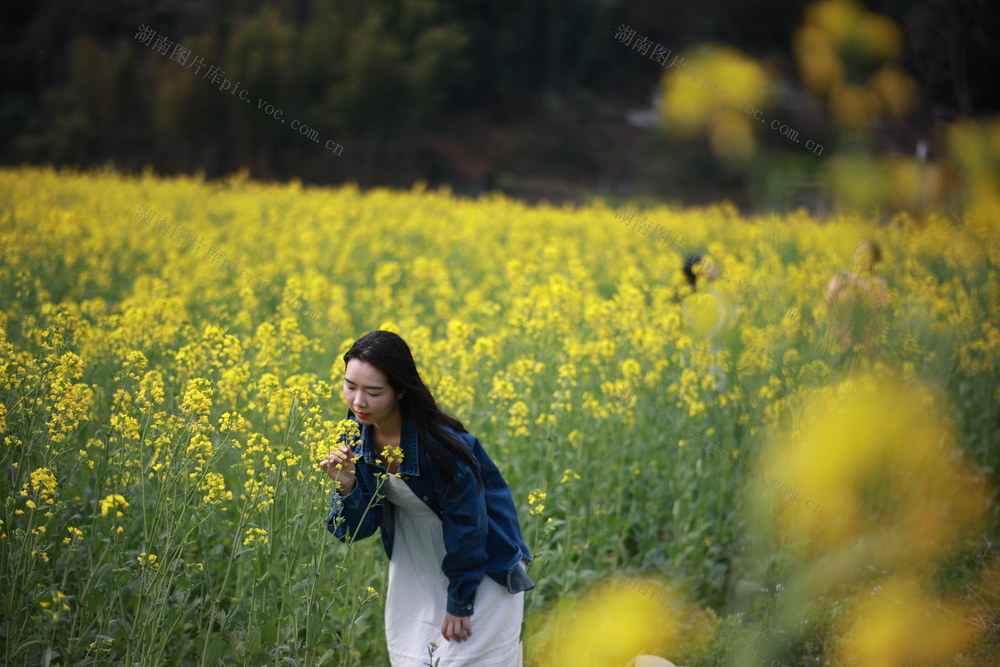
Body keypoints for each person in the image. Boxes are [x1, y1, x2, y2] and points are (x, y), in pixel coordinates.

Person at [320, 331, 534, 667]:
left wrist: (460, 601)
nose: (358, 402)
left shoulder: (442, 449)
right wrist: (346, 484)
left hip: (478, 565)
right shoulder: (353, 436)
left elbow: (470, 528)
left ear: (401, 390)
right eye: (350, 386)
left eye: (373, 392)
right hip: (416, 563)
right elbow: (356, 530)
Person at [823, 240, 890, 355]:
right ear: (853, 256)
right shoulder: (842, 277)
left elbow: (882, 315)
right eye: (859, 253)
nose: (862, 258)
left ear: (873, 260)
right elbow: (825, 304)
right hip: (838, 341)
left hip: (865, 344)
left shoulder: (879, 284)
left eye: (867, 255)